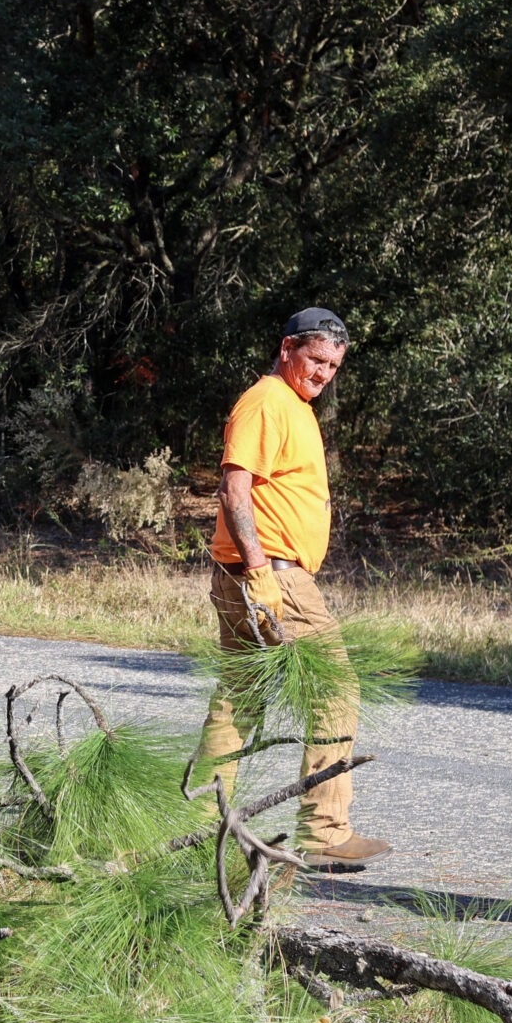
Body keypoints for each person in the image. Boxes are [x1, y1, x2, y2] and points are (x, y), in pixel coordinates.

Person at [196, 307, 388, 870]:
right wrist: (260, 572)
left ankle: (199, 822)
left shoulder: (293, 405)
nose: (324, 372)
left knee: (239, 700)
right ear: (287, 349)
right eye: (315, 359)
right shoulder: (267, 401)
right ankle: (324, 832)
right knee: (334, 688)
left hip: (253, 572)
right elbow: (234, 490)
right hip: (270, 574)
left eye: (333, 365)